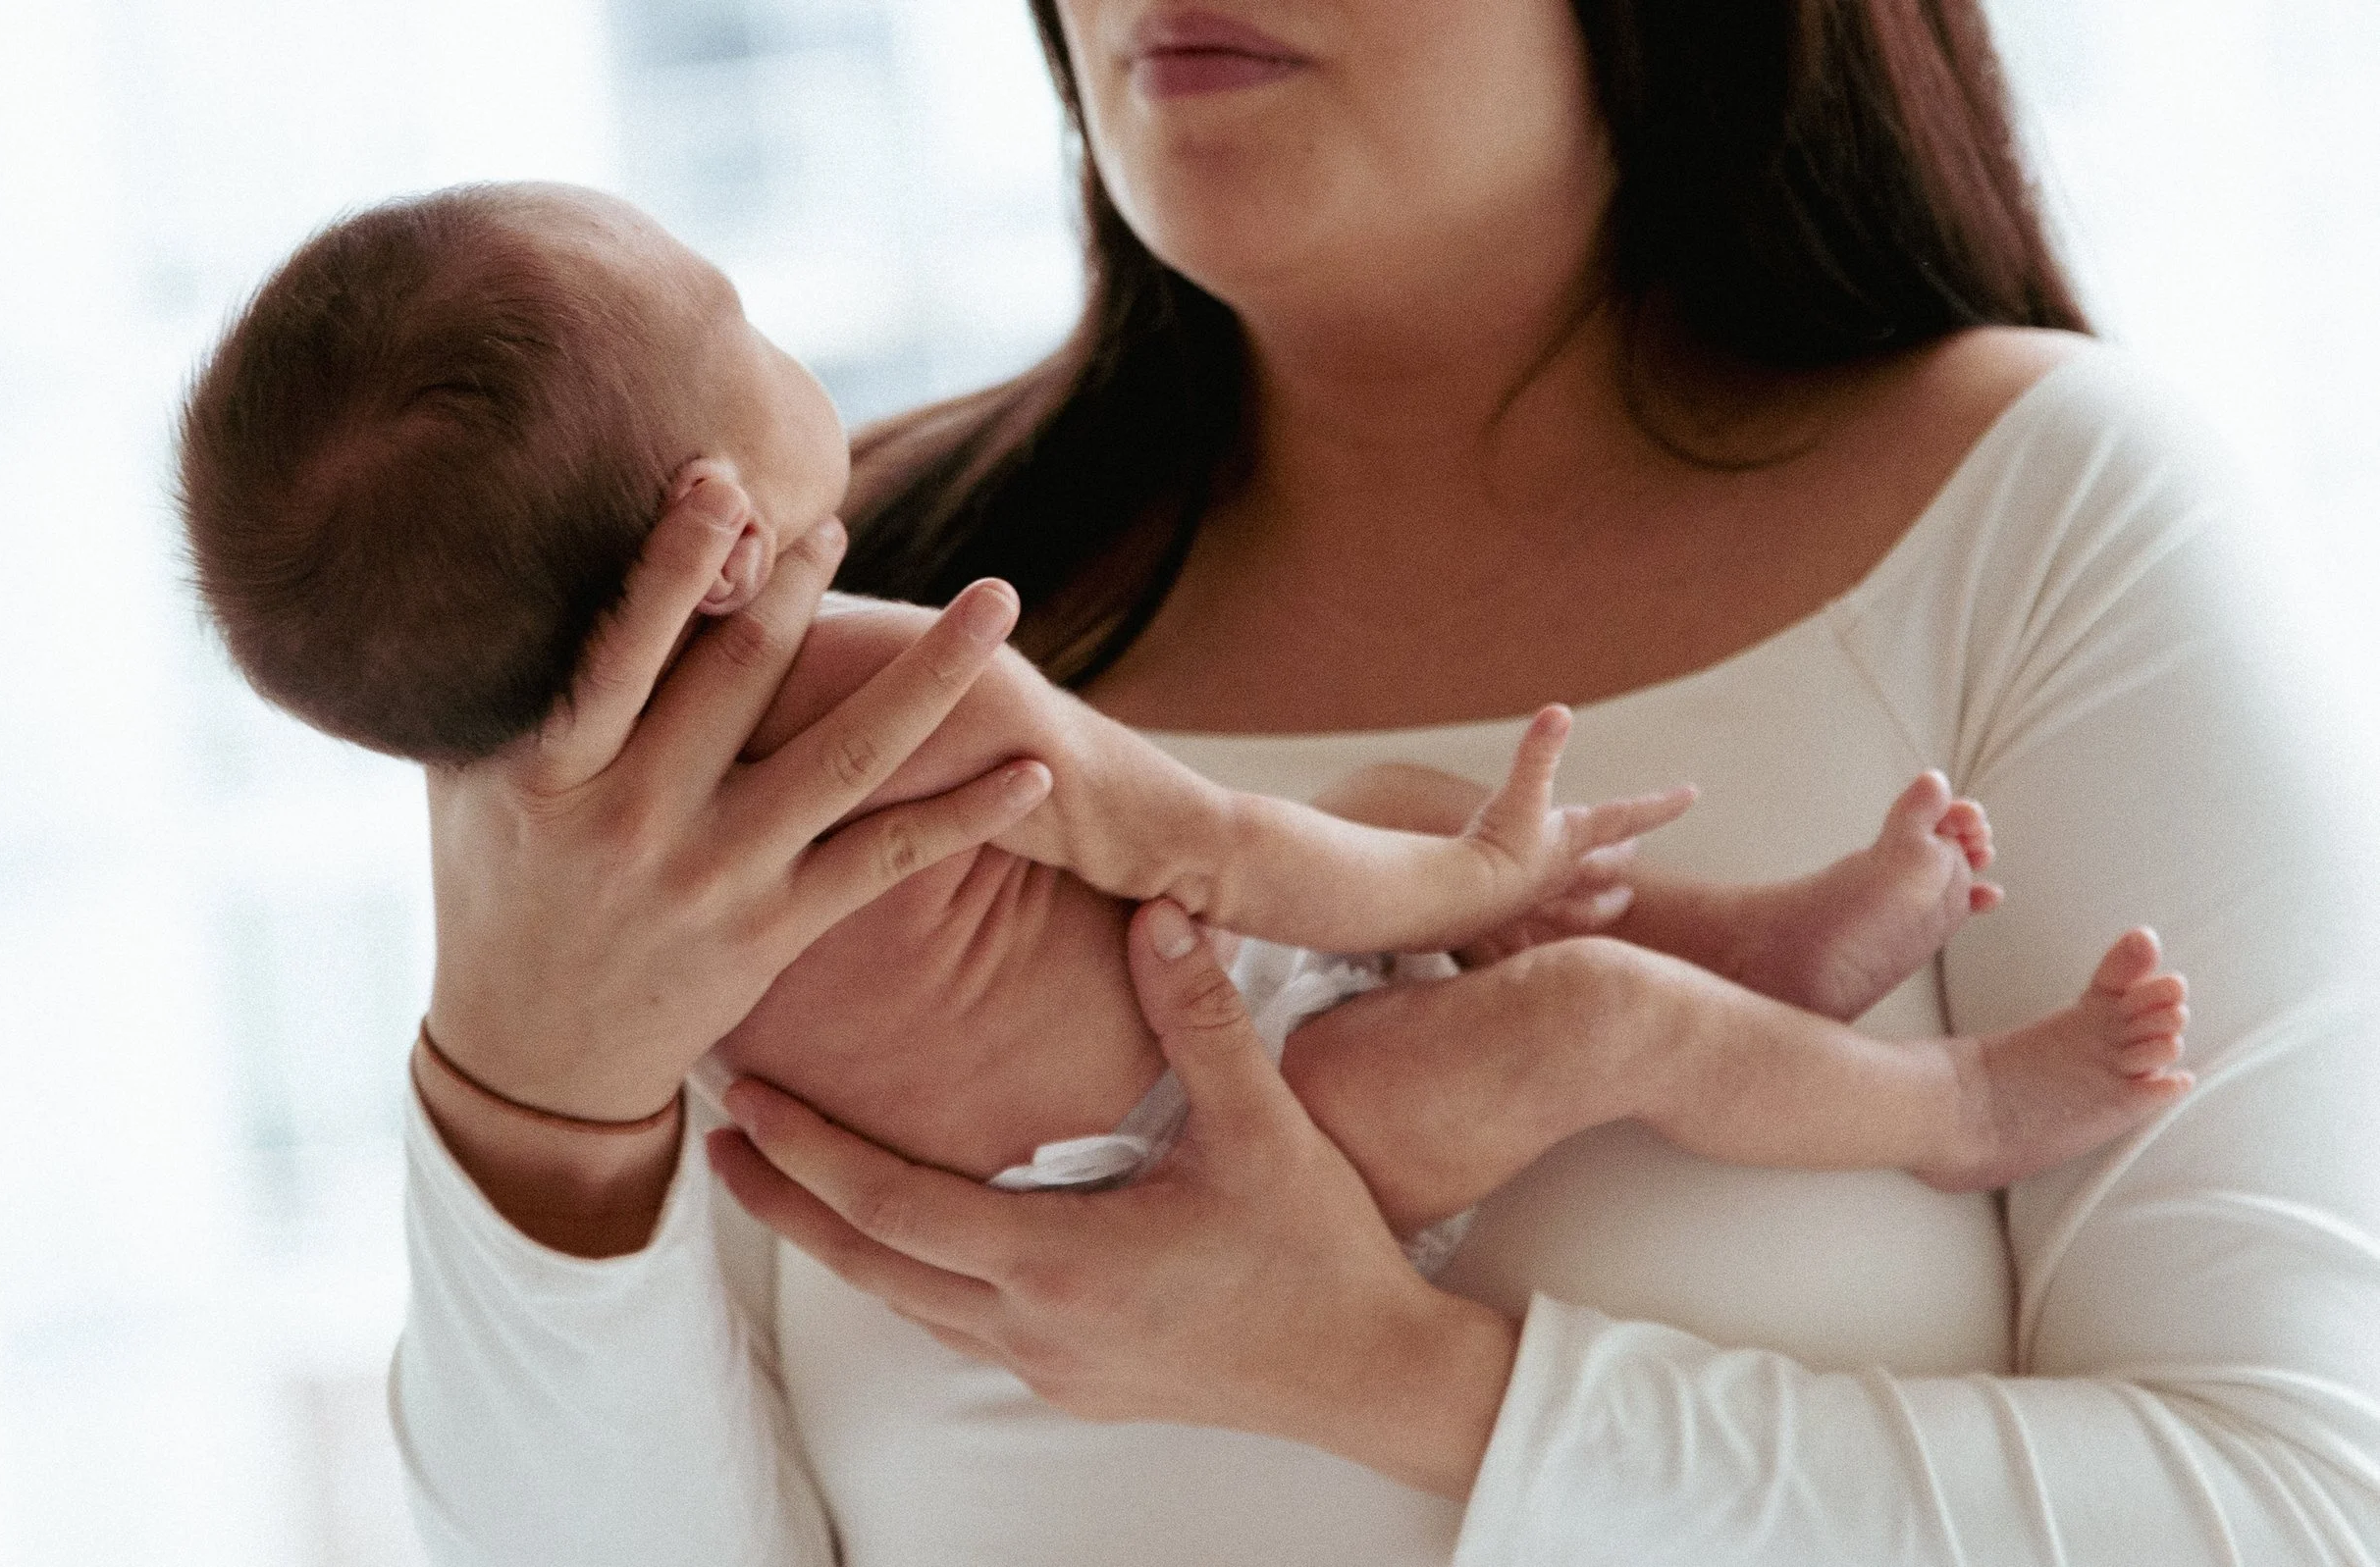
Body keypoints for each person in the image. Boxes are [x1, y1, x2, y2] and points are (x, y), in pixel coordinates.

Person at [385, 1, 2380, 1562]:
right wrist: (521, 1086)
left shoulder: (2037, 507)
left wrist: (1395, 1381)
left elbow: (2297, 1516)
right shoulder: (782, 639)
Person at [179, 180, 2189, 1254]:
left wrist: (1422, 870)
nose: (789, 350)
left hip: (1104, 1116)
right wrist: (1473, 867)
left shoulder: (578, 853)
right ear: (715, 544)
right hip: (1215, 1146)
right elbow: (1211, 843)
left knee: (1409, 827)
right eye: (741, 331)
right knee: (1566, 1002)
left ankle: (1757, 952)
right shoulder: (878, 679)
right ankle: (1955, 1112)